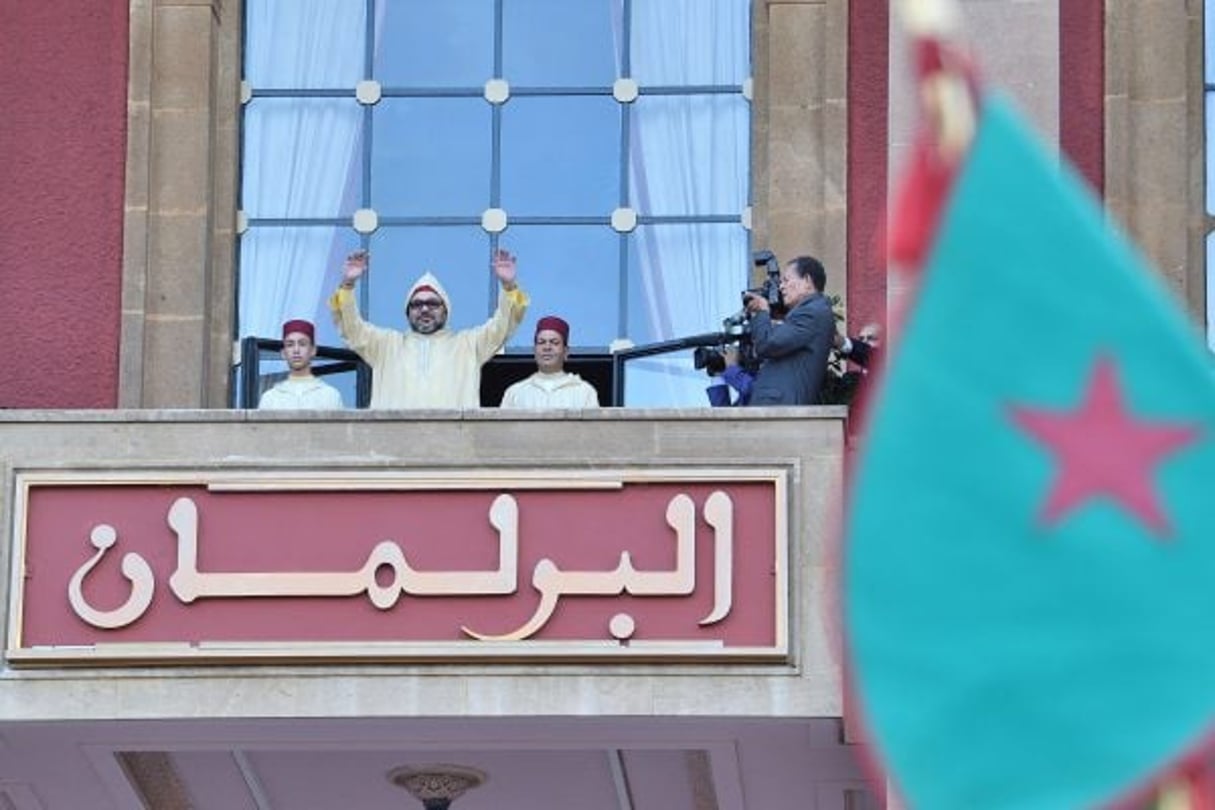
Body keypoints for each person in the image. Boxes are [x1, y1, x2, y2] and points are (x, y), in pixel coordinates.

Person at [330, 249, 528, 408]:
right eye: (416, 305)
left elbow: (503, 324)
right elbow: (351, 328)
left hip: (452, 449)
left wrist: (509, 286)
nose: (424, 309)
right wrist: (347, 284)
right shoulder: (386, 345)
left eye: (433, 304)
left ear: (446, 310)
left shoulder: (467, 344)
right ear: (407, 312)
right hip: (393, 450)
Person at [734, 255, 835, 406]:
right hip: (779, 409)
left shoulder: (811, 313)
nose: (781, 287)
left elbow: (767, 344)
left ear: (807, 281)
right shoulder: (810, 312)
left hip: (783, 410)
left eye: (786, 280)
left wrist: (762, 312)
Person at [500, 316, 600, 408]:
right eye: (541, 342)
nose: (547, 347)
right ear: (534, 350)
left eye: (554, 342)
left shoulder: (585, 392)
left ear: (566, 352)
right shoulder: (515, 393)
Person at [257, 319, 344, 410]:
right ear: (283, 353)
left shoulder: (330, 396)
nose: (296, 350)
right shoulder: (270, 398)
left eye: (302, 344)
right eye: (290, 345)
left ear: (313, 350)